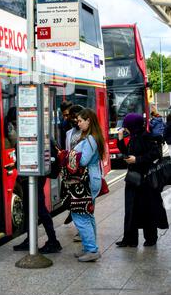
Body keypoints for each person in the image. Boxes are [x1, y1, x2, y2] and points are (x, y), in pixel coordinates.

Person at [116, 113, 169, 248]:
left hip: (146, 181)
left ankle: (150, 238)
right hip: (133, 179)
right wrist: (121, 140)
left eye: (127, 126)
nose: (125, 128)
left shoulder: (146, 137)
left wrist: (137, 159)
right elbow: (127, 154)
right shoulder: (134, 137)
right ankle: (130, 239)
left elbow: (155, 154)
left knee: (147, 209)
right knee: (131, 209)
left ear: (133, 125)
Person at [64, 108, 104, 262]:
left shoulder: (90, 139)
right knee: (87, 214)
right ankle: (89, 247)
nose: (78, 123)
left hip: (85, 181)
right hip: (91, 178)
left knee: (79, 214)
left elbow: (83, 161)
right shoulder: (93, 137)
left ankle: (92, 250)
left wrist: (70, 155)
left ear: (89, 121)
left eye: (80, 121)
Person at [13, 140, 62, 254]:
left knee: (40, 208)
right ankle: (31, 240)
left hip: (34, 175)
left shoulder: (34, 138)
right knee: (28, 208)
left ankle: (53, 241)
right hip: (32, 175)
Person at [62, 104, 84, 231]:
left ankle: (83, 231)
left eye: (77, 118)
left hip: (84, 171)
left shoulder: (87, 131)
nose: (75, 120)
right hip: (72, 171)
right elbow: (68, 150)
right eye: (72, 117)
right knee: (75, 200)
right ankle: (79, 228)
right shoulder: (69, 133)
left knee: (84, 202)